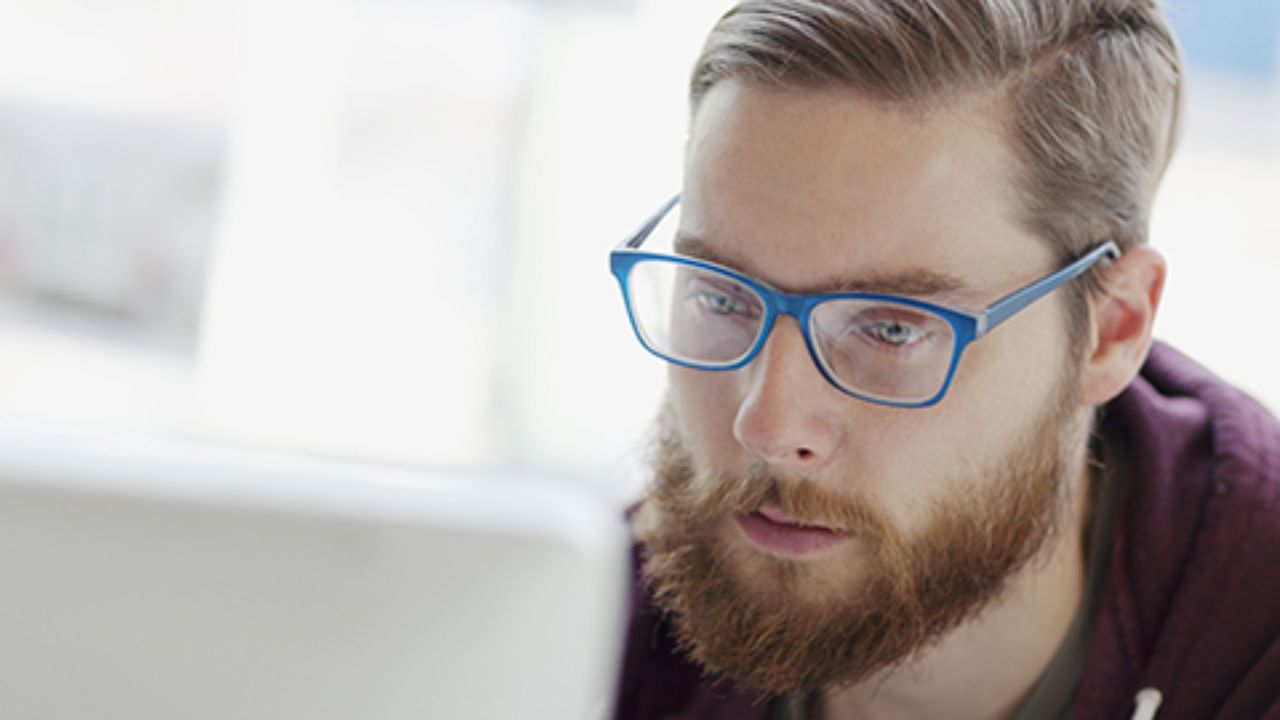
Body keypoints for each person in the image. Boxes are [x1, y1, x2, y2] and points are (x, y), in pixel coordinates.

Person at [606, 1, 1280, 718]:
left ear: (1112, 328)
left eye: (893, 329)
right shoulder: (604, 624)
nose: (766, 427)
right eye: (722, 297)